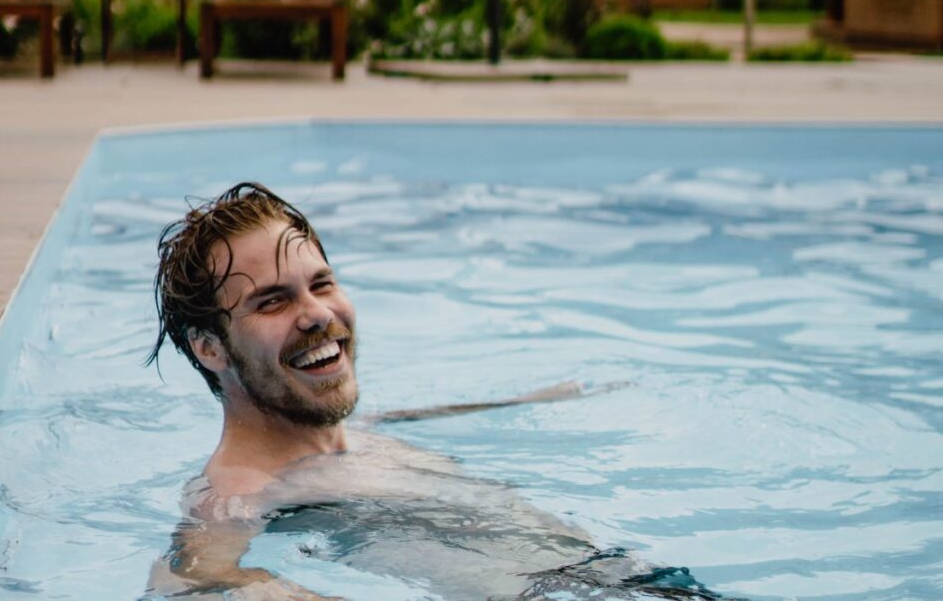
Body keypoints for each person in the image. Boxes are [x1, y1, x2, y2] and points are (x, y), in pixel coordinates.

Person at [144, 182, 731, 601]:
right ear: (210, 348)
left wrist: (540, 399)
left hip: (636, 580)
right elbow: (195, 579)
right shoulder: (238, 495)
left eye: (321, 284)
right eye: (273, 301)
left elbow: (407, 416)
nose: (317, 314)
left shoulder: (352, 435)